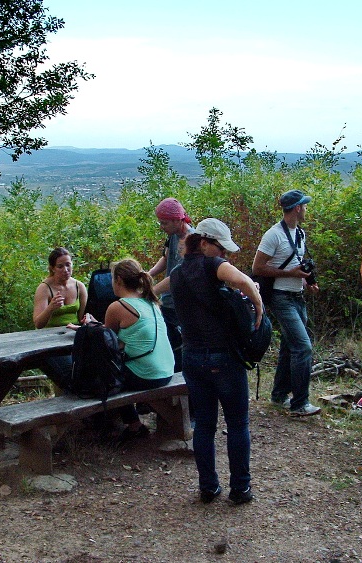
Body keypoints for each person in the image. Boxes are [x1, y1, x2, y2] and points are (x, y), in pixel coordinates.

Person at [169, 218, 263, 505]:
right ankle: (240, 489)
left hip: (192, 358)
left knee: (206, 426)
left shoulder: (177, 272)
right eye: (222, 249)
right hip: (223, 357)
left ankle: (208, 488)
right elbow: (243, 280)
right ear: (206, 243)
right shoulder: (214, 266)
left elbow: (156, 288)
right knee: (237, 423)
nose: (226, 256)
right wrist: (258, 305)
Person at [82, 259, 175, 442]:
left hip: (146, 375)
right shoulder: (152, 302)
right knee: (119, 368)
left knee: (107, 372)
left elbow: (106, 344)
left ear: (118, 281)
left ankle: (132, 425)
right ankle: (129, 423)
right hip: (167, 370)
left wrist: (90, 326)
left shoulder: (118, 306)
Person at [252, 190, 321, 417]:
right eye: (305, 206)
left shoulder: (299, 233)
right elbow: (257, 268)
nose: (306, 210)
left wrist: (305, 279)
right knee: (303, 347)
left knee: (289, 347)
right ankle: (300, 403)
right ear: (298, 208)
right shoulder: (273, 235)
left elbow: (297, 264)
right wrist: (288, 273)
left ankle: (279, 395)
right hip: (281, 297)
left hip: (297, 295)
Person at [147, 198, 194, 371]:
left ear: (177, 220)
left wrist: (151, 292)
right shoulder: (173, 236)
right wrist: (148, 274)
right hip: (168, 303)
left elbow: (177, 276)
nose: (162, 227)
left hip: (180, 305)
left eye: (164, 223)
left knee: (177, 348)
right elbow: (166, 258)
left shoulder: (190, 242)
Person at [33, 247, 88, 391]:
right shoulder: (44, 288)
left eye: (68, 264)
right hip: (49, 340)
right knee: (70, 375)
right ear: (52, 268)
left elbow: (81, 318)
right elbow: (38, 323)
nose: (65, 269)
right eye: (60, 266)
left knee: (90, 369)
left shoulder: (79, 286)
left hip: (72, 337)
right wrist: (51, 308)